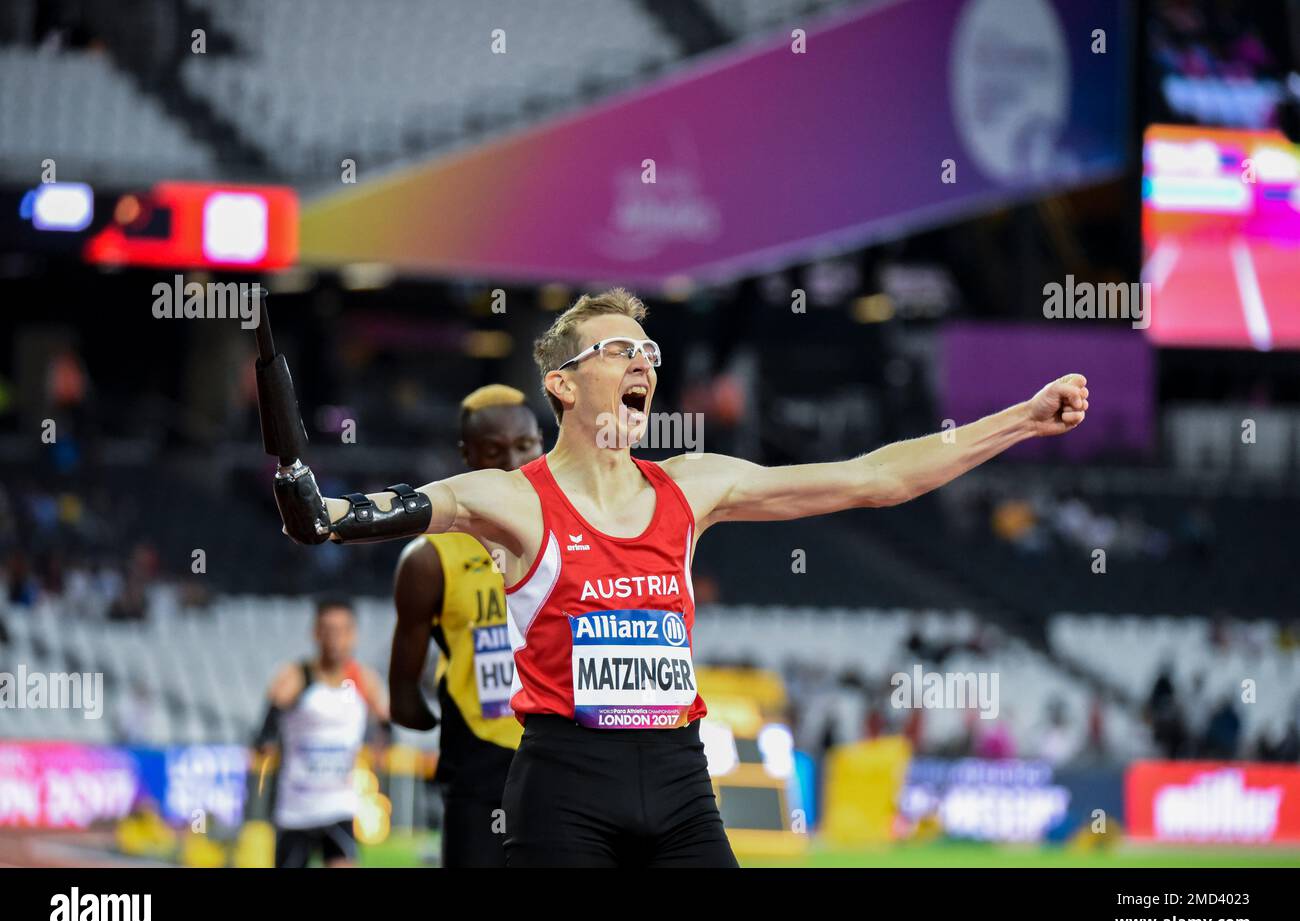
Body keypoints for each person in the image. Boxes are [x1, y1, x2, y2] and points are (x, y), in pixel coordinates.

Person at [262, 288, 1090, 866]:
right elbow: (374, 508)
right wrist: (318, 508)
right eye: (618, 348)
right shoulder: (514, 499)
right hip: (563, 786)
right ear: (561, 383)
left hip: (680, 781)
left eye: (648, 351)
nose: (643, 362)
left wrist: (1020, 418)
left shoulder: (692, 485)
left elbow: (874, 477)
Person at [389, 385, 542, 867]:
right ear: (467, 455)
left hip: (562, 753)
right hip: (478, 759)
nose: (513, 462)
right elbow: (404, 691)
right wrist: (410, 705)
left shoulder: (579, 532)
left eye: (526, 445)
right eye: (495, 451)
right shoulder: (430, 557)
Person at [255, 596, 389, 868]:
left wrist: (381, 747)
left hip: (338, 805)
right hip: (296, 810)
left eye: (342, 631)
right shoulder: (296, 676)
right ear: (316, 632)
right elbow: (265, 731)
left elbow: (386, 724)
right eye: (328, 630)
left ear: (353, 634)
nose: (335, 639)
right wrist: (265, 744)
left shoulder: (365, 680)